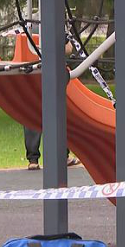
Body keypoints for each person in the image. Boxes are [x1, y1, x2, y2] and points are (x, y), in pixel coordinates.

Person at [25, 41, 80, 170]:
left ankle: (33, 159)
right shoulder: (58, 25)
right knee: (58, 112)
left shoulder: (29, 28)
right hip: (51, 73)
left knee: (34, 112)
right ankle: (62, 155)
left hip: (32, 71)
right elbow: (68, 49)